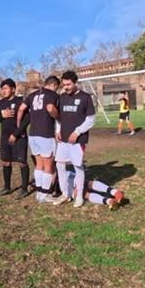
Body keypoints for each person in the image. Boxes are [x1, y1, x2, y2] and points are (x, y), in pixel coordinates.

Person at [54, 70, 96, 208]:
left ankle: (79, 196)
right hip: (63, 139)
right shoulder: (62, 97)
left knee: (77, 166)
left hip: (78, 140)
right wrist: (58, 130)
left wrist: (77, 132)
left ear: (75, 82)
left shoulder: (85, 97)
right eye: (64, 84)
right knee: (60, 164)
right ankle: (65, 194)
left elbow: (91, 119)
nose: (66, 87)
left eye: (68, 84)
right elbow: (59, 118)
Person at [17, 75, 60, 203]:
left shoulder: (32, 95)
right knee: (48, 165)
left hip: (33, 134)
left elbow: (21, 109)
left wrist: (19, 126)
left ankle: (39, 194)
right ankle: (45, 194)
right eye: (57, 88)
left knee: (39, 164)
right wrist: (58, 117)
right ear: (54, 85)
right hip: (46, 134)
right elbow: (50, 108)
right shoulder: (52, 95)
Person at [0, 78, 30, 199]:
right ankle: (7, 187)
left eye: (5, 88)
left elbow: (27, 119)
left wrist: (15, 134)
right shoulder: (0, 104)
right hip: (4, 138)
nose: (3, 91)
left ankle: (24, 189)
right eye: (2, 89)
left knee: (22, 162)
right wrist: (2, 115)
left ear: (13, 89)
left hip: (19, 137)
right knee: (5, 162)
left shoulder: (21, 101)